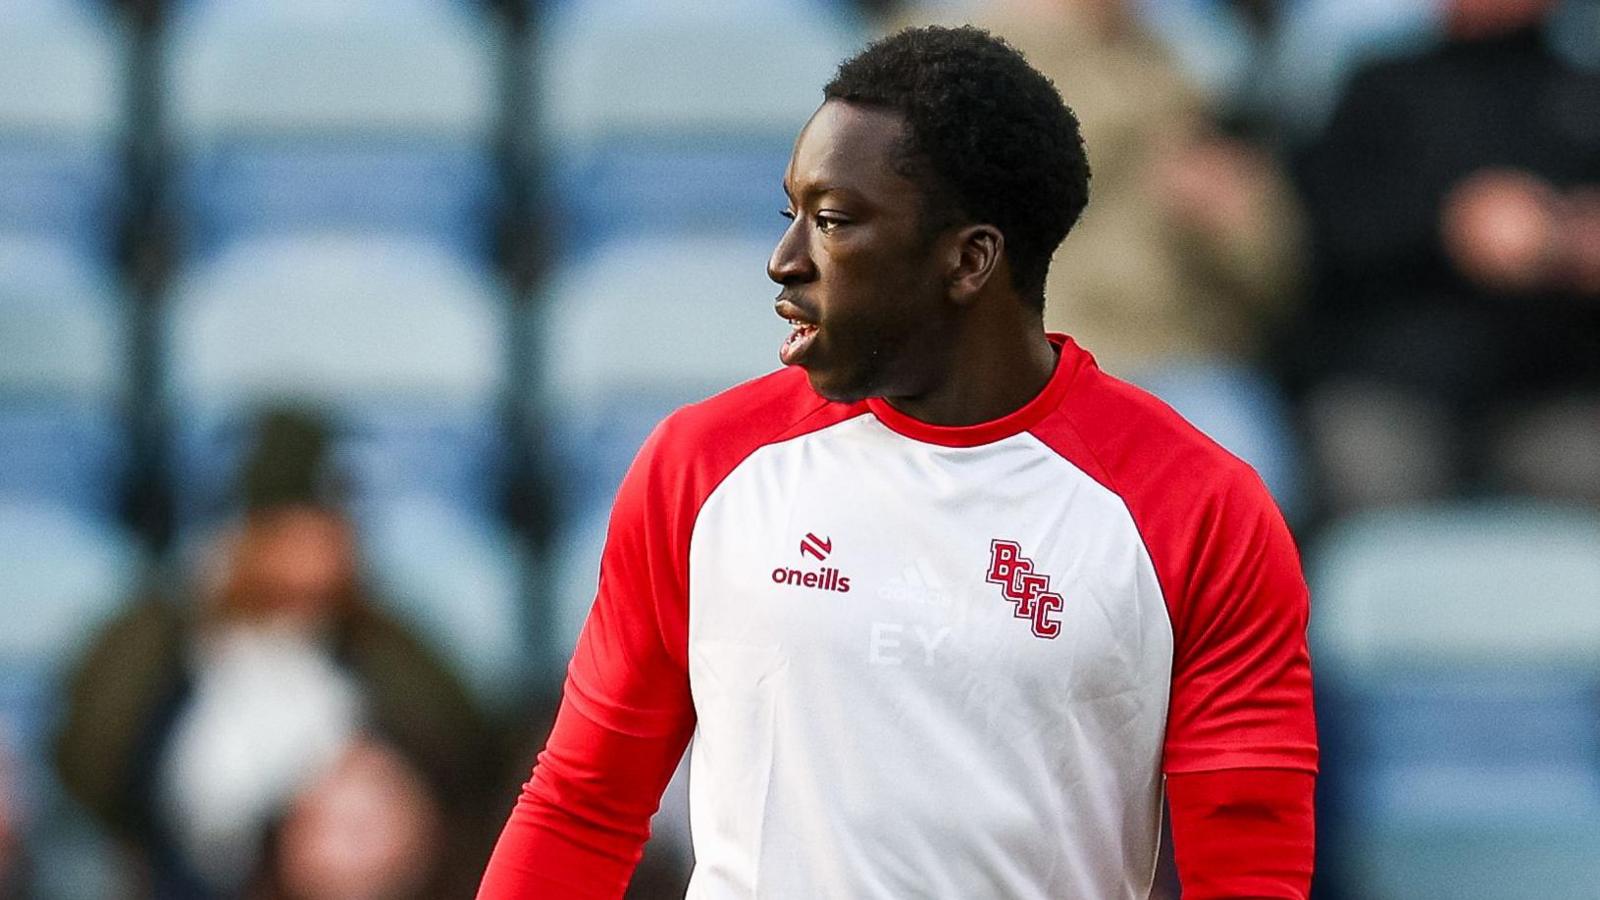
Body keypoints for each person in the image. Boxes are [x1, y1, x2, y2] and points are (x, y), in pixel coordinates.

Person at [480, 26, 1315, 898]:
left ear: (969, 260)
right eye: (790, 215)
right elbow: (583, 805)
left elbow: (1247, 863)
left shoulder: (1199, 509)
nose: (785, 261)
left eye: (834, 222)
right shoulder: (700, 467)